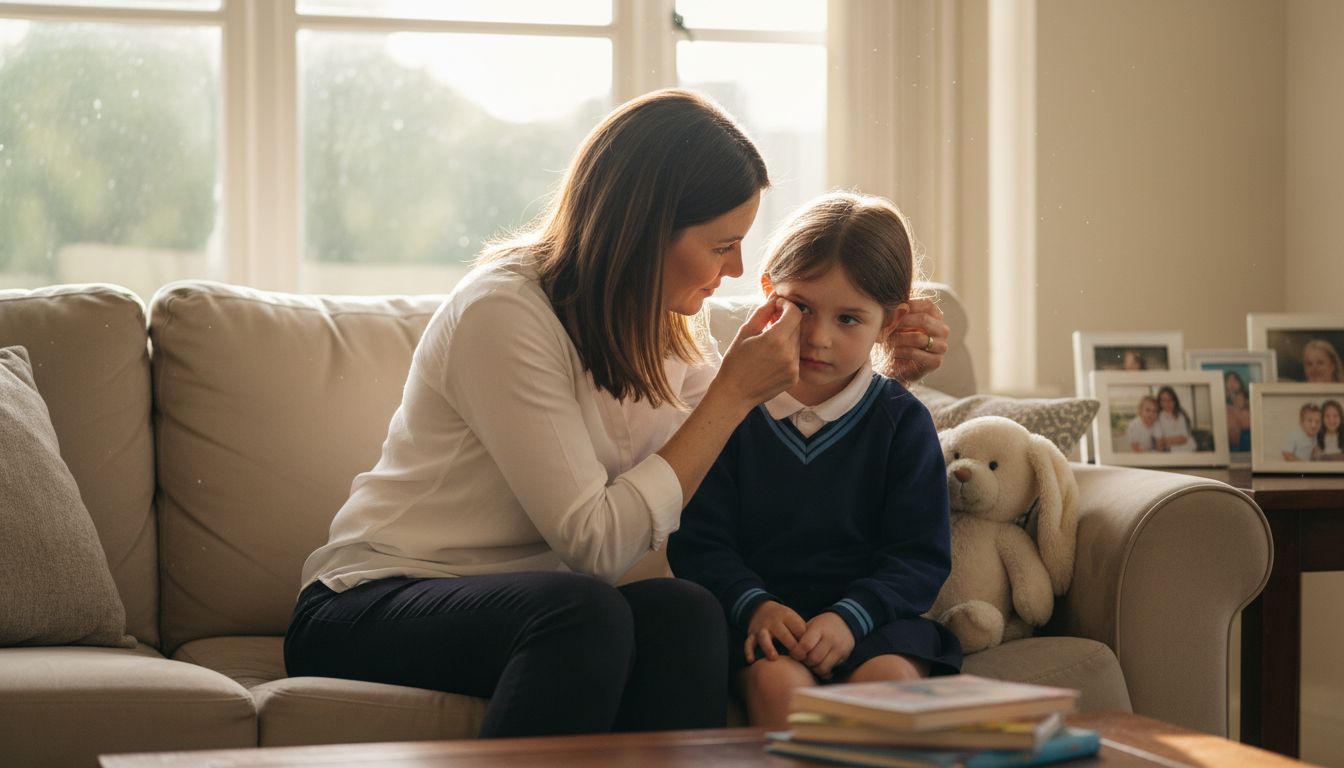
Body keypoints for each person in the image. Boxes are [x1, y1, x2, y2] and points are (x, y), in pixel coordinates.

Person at [283, 89, 951, 739]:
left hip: (541, 604)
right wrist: (731, 394)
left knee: (687, 613)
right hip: (376, 601)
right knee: (585, 612)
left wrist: (887, 367)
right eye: (722, 245)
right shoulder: (504, 313)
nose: (739, 266)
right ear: (647, 230)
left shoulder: (667, 325)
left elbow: (756, 440)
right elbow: (595, 542)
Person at [667, 192, 961, 730]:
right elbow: (701, 542)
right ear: (768, 296)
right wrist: (754, 605)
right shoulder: (728, 412)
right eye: (801, 307)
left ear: (889, 322)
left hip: (875, 623)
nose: (818, 337)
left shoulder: (902, 423)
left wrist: (851, 619)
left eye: (849, 318)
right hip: (762, 624)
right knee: (780, 689)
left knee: (886, 687)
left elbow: (919, 558)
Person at [1155, 385, 1196, 453]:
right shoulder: (1158, 417)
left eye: (1170, 400)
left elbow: (1184, 439)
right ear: (1159, 402)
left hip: (1188, 449)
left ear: (1175, 401)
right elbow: (1158, 441)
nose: (1167, 403)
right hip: (1170, 451)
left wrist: (1164, 441)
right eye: (1163, 400)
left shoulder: (1180, 415)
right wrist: (1164, 442)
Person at [1223, 370, 1252, 452]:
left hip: (1245, 433)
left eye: (1235, 380)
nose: (1232, 383)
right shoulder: (1221, 400)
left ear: (1240, 383)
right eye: (1229, 380)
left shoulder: (1247, 398)